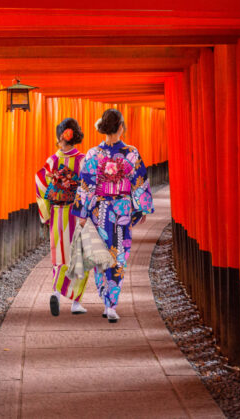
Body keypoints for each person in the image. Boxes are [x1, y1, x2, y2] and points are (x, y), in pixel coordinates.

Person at [72, 109, 154, 323]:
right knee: (118, 256)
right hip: (122, 210)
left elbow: (86, 185)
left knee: (102, 255)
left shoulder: (92, 154)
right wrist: (141, 207)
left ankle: (106, 300)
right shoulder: (131, 153)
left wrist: (83, 212)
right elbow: (139, 181)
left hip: (100, 210)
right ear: (121, 127)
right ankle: (111, 304)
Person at [35, 118, 90, 316]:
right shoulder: (83, 160)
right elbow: (87, 187)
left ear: (60, 136)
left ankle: (56, 292)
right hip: (77, 213)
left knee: (60, 253)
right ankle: (76, 303)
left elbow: (41, 184)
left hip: (58, 213)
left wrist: (46, 212)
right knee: (81, 255)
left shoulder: (52, 161)